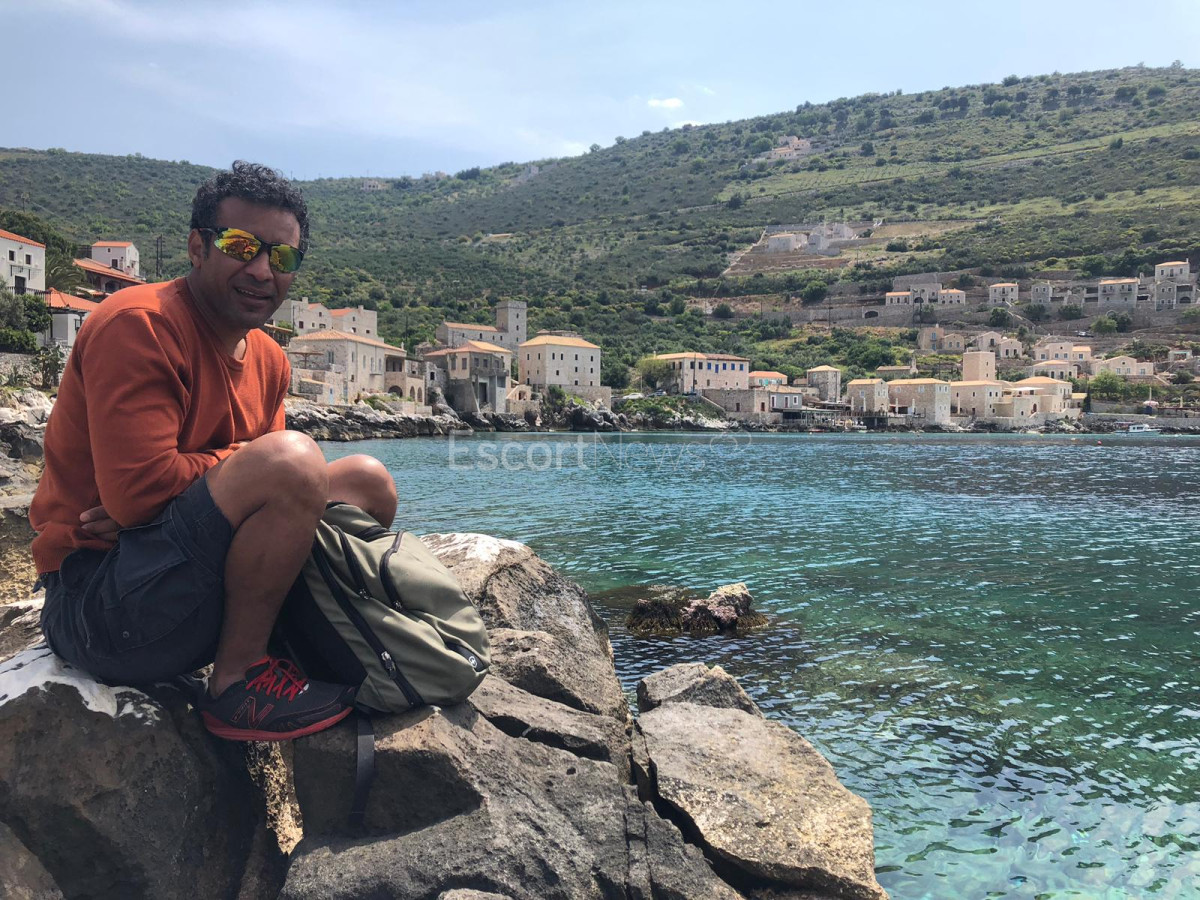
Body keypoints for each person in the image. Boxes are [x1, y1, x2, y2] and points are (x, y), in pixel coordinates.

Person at [31, 161, 397, 741]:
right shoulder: (140, 324)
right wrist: (245, 467)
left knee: (367, 480)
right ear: (198, 247)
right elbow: (141, 495)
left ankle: (290, 642)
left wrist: (206, 483)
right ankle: (236, 684)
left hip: (187, 584)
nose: (262, 270)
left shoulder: (270, 360)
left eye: (282, 256)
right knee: (292, 461)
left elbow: (217, 492)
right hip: (103, 604)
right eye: (241, 246)